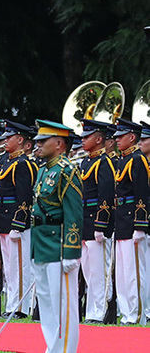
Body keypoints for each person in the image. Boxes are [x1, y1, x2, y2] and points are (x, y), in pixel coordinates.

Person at [31, 119, 83, 353]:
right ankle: (52, 347)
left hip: (58, 243)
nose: (37, 145)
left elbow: (74, 213)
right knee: (47, 302)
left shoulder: (67, 171)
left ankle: (65, 350)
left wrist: (71, 251)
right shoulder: (44, 170)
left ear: (59, 143)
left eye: (43, 141)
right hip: (41, 241)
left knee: (64, 304)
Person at [0, 120, 36, 318]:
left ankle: (19, 307)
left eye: (9, 137)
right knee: (8, 266)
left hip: (14, 218)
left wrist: (18, 223)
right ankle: (11, 304)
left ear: (20, 139)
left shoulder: (23, 164)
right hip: (2, 215)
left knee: (19, 265)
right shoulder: (6, 160)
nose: (5, 140)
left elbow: (24, 196)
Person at [78, 119, 115, 324]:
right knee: (88, 270)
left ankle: (100, 311)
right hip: (84, 221)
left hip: (96, 222)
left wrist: (101, 225)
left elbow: (106, 195)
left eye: (87, 137)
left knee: (99, 271)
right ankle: (91, 310)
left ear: (99, 139)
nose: (83, 141)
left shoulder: (104, 162)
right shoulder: (86, 162)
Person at [112, 118, 149, 325]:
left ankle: (136, 315)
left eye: (121, 136)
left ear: (132, 137)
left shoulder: (138, 159)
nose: (117, 140)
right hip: (121, 220)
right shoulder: (122, 159)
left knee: (134, 273)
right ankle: (127, 313)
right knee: (123, 273)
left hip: (132, 220)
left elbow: (141, 193)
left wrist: (140, 225)